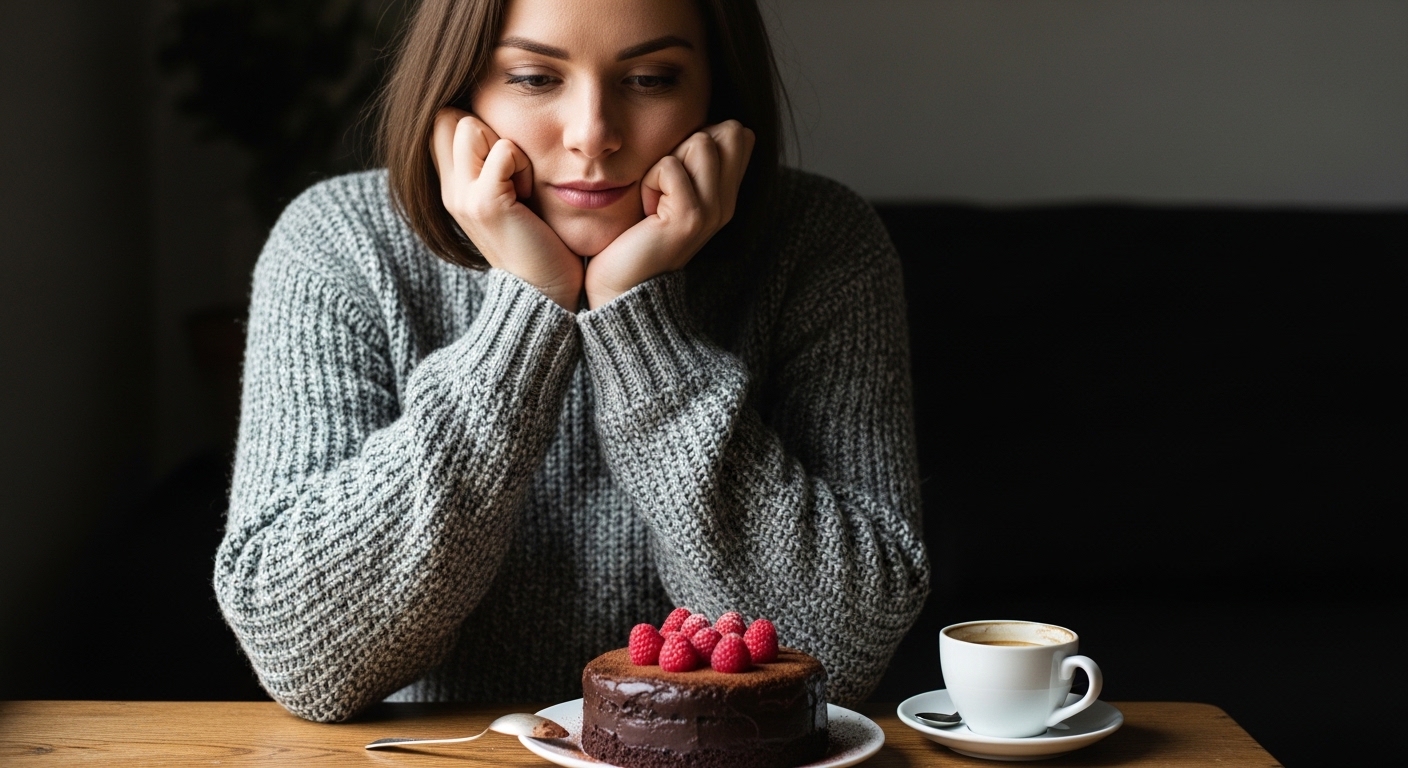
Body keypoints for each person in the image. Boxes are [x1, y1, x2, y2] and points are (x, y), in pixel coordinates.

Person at [215, 0, 929, 723]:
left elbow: (840, 659)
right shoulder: (341, 243)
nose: (593, 135)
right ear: (458, 91)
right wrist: (525, 312)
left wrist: (636, 324)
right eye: (534, 78)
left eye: (650, 79)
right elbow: (301, 656)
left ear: (715, 89)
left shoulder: (820, 244)